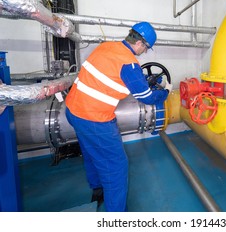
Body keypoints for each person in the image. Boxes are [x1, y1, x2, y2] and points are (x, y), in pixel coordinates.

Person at [65, 21, 173, 212]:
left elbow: (110, 76)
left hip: (73, 110)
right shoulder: (129, 64)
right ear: (141, 44)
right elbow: (146, 97)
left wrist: (141, 81)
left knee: (91, 152)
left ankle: (97, 190)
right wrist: (165, 92)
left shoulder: (106, 46)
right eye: (146, 49)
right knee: (117, 166)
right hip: (94, 119)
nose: (144, 52)